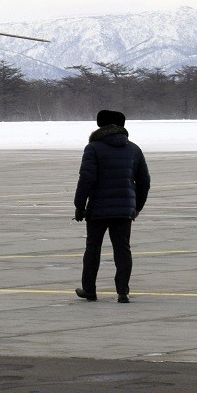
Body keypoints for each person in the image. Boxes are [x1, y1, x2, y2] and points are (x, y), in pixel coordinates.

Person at [74, 110, 151, 303]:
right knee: (122, 249)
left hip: (98, 209)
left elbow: (86, 179)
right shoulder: (134, 149)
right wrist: (137, 206)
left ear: (101, 126)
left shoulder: (93, 148)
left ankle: (89, 290)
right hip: (124, 209)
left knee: (93, 248)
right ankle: (122, 291)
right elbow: (144, 181)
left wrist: (79, 205)